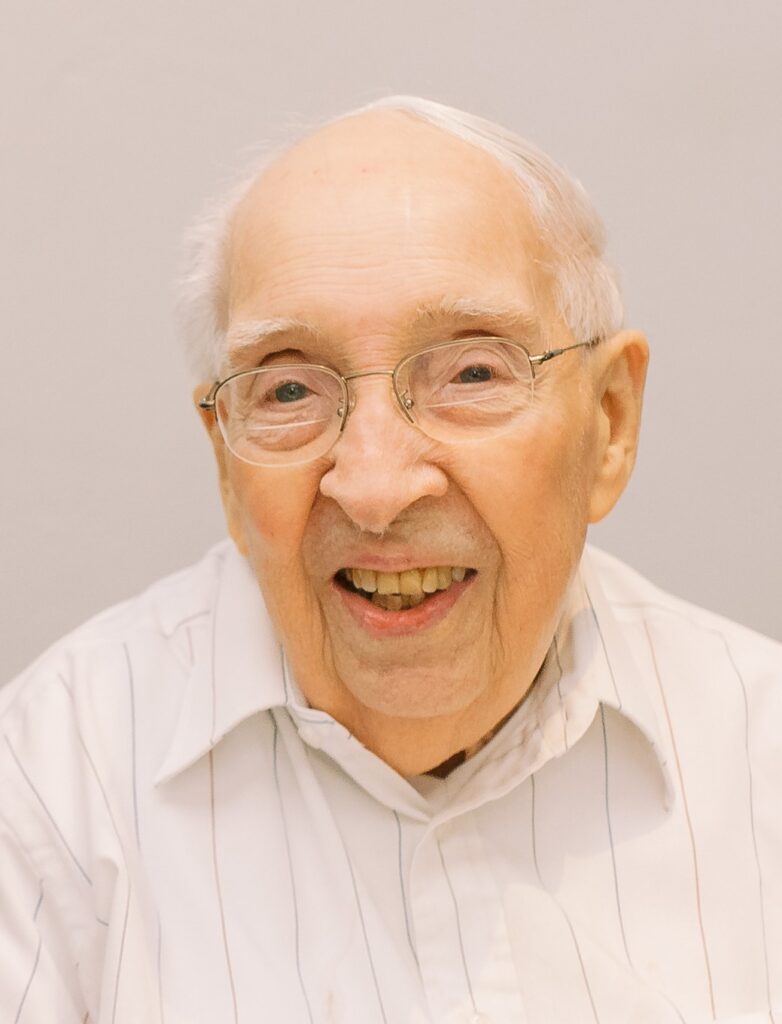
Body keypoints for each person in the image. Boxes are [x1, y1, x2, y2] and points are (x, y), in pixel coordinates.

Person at [1, 96, 780, 1024]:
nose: (373, 485)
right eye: (289, 387)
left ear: (608, 424)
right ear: (224, 455)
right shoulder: (51, 782)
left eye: (472, 372)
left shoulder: (758, 750)